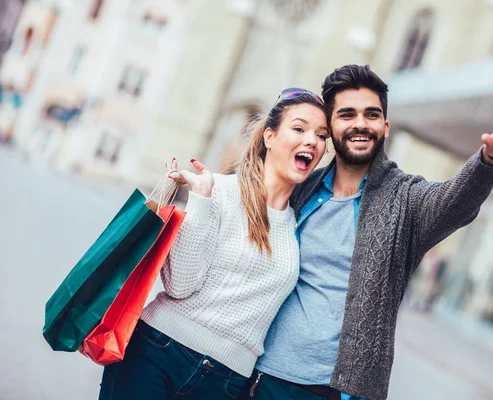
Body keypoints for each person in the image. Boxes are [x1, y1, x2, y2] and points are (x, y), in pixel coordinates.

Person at [242, 65, 493, 400]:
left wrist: (490, 159)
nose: (360, 123)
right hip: (266, 377)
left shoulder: (406, 199)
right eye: (347, 114)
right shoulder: (302, 188)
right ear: (330, 128)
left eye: (372, 114)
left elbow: (454, 203)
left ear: (386, 126)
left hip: (343, 391)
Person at [98, 88, 329, 400]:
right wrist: (201, 202)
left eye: (321, 135)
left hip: (225, 381)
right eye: (299, 128)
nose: (312, 141)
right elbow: (179, 286)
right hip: (157, 352)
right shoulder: (219, 191)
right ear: (270, 137)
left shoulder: (297, 226)